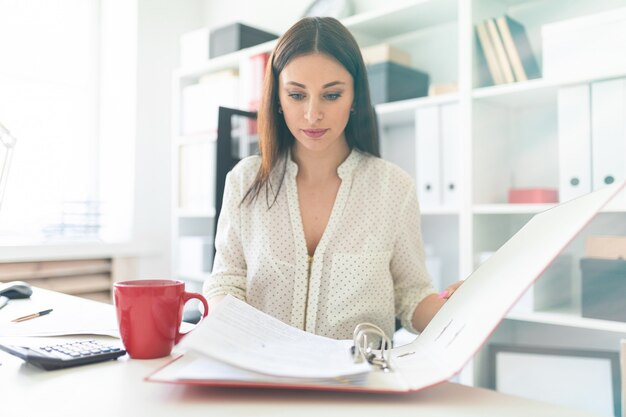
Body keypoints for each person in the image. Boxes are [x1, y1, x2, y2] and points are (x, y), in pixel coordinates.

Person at [203, 16, 462, 340]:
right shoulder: (244, 181)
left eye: (332, 95)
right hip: (265, 376)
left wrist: (457, 307)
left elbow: (411, 296)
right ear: (278, 99)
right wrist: (224, 328)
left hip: (357, 382)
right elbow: (225, 282)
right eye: (297, 95)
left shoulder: (393, 188)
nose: (313, 114)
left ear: (354, 97)